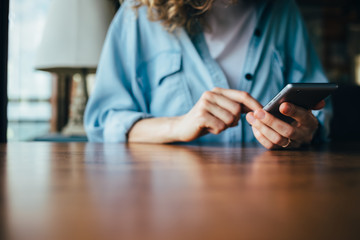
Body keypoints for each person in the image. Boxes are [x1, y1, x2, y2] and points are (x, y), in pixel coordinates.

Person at [84, 0, 332, 149]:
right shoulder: (137, 13)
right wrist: (177, 126)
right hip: (172, 202)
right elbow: (103, 123)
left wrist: (306, 131)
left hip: (271, 197)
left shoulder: (282, 9)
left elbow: (321, 114)